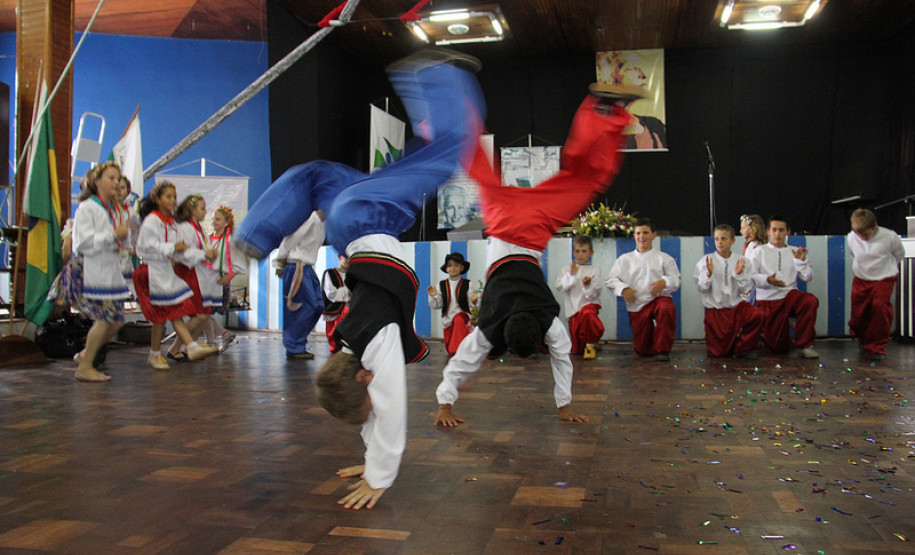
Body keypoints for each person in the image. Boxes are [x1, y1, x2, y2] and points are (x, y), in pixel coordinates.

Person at [309, 48, 485, 510]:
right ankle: (431, 93)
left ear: (363, 376)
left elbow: (390, 409)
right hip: (353, 225)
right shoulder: (350, 351)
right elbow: (373, 403)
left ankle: (432, 77)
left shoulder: (377, 342)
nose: (371, 401)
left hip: (366, 220)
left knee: (453, 151)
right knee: (421, 161)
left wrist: (380, 476)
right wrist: (369, 459)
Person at [434, 81, 640, 428]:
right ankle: (443, 93)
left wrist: (565, 407)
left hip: (536, 224)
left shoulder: (547, 322)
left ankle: (604, 108)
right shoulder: (491, 327)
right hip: (501, 218)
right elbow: (461, 365)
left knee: (586, 179)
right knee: (477, 163)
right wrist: (443, 405)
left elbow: (562, 361)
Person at [49, 162, 131, 382]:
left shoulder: (114, 209)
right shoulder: (88, 207)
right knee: (104, 319)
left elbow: (121, 240)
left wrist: (123, 239)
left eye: (118, 178)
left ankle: (87, 354)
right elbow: (82, 243)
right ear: (97, 182)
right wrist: (113, 235)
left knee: (117, 320)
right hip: (93, 270)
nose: (116, 182)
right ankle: (85, 366)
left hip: (109, 270)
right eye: (111, 178)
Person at [133, 181, 217, 370]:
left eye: (174, 197)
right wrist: (173, 247)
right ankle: (190, 345)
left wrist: (202, 253)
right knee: (173, 311)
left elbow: (179, 251)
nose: (172, 200)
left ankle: (156, 353)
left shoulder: (171, 223)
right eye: (168, 196)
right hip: (150, 271)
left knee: (163, 316)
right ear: (157, 199)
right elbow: (144, 246)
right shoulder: (152, 220)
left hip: (163, 270)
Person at [605, 217, 680, 361]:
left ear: (653, 235)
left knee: (666, 308)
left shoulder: (664, 258)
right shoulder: (625, 259)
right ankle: (648, 346)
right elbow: (610, 280)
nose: (642, 237)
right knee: (642, 350)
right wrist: (624, 289)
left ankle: (663, 350)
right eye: (638, 233)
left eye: (645, 233)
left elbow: (676, 280)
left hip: (658, 299)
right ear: (634, 236)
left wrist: (665, 282)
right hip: (637, 305)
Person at [745, 214, 819, 358]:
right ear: (768, 231)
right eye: (774, 230)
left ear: (788, 232)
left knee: (810, 301)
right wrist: (767, 280)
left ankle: (806, 345)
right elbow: (749, 278)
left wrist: (800, 262)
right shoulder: (758, 251)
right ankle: (769, 337)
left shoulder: (795, 251)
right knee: (778, 348)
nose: (778, 234)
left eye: (781, 230)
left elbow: (808, 277)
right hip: (768, 300)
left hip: (790, 296)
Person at [693, 224, 763, 359]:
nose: (720, 242)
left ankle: (743, 348)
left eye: (724, 238)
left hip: (736, 308)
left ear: (732, 241)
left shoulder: (742, 261)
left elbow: (746, 290)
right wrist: (708, 274)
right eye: (717, 239)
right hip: (715, 310)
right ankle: (729, 347)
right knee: (717, 354)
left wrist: (738, 274)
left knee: (757, 314)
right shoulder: (706, 261)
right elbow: (701, 288)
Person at [165, 194, 220, 361]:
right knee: (199, 315)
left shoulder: (199, 229)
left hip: (199, 274)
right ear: (191, 210)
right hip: (187, 274)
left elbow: (203, 250)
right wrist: (205, 253)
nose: (205, 212)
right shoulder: (184, 228)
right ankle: (178, 348)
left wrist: (210, 254)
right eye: (202, 208)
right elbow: (182, 253)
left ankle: (185, 347)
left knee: (203, 315)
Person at [846, 208, 905, 360]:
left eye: (865, 234)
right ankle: (861, 336)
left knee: (880, 307)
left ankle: (877, 346)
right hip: (861, 278)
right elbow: (853, 255)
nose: (862, 238)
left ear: (875, 226)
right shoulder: (851, 237)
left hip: (884, 278)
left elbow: (899, 254)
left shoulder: (890, 236)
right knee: (859, 314)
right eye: (859, 234)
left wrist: (885, 268)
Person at [274, 210, 325, 360]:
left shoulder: (324, 222)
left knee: (318, 305)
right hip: (297, 265)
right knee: (301, 307)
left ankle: (298, 341)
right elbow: (292, 237)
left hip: (307, 267)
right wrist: (280, 260)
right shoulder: (310, 217)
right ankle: (294, 346)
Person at [554, 235, 604, 359]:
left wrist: (587, 285)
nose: (580, 254)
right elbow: (560, 287)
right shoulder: (567, 269)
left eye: (584, 251)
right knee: (576, 350)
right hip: (573, 310)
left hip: (589, 306)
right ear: (573, 252)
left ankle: (591, 343)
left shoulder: (595, 270)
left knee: (587, 314)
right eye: (577, 251)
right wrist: (571, 275)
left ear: (591, 253)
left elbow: (595, 293)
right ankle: (591, 341)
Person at [206, 206, 245, 351]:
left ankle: (218, 337)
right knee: (202, 312)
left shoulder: (229, 241)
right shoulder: (208, 239)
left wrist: (230, 275)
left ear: (227, 222)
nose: (214, 222)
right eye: (213, 219)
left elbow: (241, 264)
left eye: (218, 219)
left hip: (218, 283)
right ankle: (214, 340)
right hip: (207, 281)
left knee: (202, 313)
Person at [427, 252, 478, 356]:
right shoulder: (441, 285)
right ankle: (456, 348)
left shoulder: (468, 284)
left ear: (462, 268)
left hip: (463, 319)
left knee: (458, 318)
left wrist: (474, 301)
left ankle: (462, 350)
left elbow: (472, 305)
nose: (453, 268)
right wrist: (433, 295)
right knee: (450, 348)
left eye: (456, 265)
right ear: (446, 269)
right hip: (448, 321)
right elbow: (437, 305)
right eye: (450, 265)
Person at [322, 253, 351, 354]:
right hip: (335, 312)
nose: (348, 260)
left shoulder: (353, 274)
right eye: (345, 257)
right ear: (339, 257)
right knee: (335, 347)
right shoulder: (330, 273)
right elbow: (331, 294)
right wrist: (347, 292)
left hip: (349, 311)